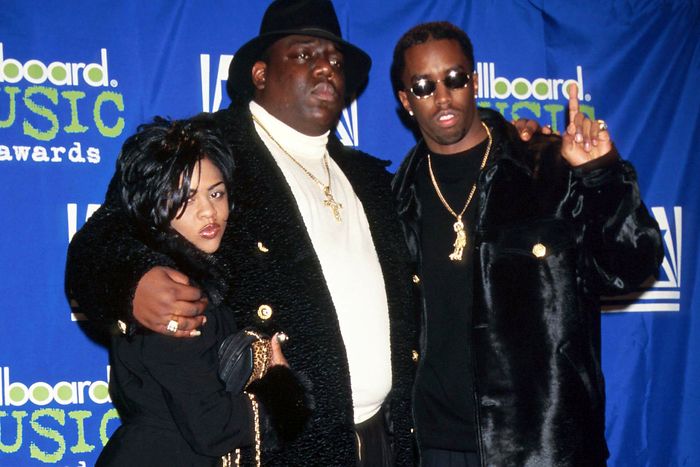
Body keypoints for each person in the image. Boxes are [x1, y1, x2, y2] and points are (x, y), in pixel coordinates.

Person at [65, 1, 416, 465]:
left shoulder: (369, 177)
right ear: (260, 73)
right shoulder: (205, 147)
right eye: (304, 54)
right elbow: (101, 238)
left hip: (381, 439)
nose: (326, 68)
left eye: (335, 60)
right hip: (276, 449)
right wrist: (134, 281)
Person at [390, 21, 664, 467]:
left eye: (454, 78)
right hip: (433, 446)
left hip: (541, 447)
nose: (442, 96)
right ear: (406, 100)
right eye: (424, 86)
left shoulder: (549, 167)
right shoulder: (394, 201)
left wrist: (600, 174)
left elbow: (632, 266)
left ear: (474, 81)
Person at [95, 116, 308, 466]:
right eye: (186, 198)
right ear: (153, 205)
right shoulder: (172, 294)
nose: (209, 211)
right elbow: (212, 425)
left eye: (216, 193)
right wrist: (284, 396)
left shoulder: (196, 276)